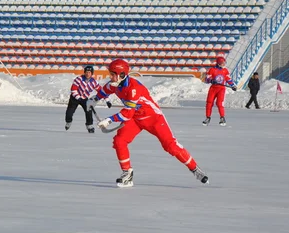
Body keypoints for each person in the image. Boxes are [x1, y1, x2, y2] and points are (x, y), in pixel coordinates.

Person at [86, 59, 209, 188]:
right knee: (119, 141)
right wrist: (94, 99)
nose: (110, 77)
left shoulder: (134, 88)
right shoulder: (114, 84)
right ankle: (127, 174)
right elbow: (105, 90)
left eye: (112, 74)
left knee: (170, 146)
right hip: (135, 119)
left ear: (121, 74)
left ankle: (195, 169)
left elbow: (127, 113)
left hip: (153, 118)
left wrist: (109, 120)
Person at [65, 65, 101, 133]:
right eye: (86, 72)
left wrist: (107, 99)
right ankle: (68, 122)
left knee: (89, 111)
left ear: (92, 73)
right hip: (74, 98)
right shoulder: (79, 79)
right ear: (84, 72)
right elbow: (73, 90)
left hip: (84, 98)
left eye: (89, 72)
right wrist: (78, 98)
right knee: (69, 113)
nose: (88, 74)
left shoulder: (94, 82)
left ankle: (89, 126)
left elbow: (101, 91)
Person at [202, 56, 237, 126]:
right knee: (209, 102)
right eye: (223, 63)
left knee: (219, 103)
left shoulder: (225, 70)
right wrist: (211, 80)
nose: (224, 64)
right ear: (219, 63)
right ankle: (208, 117)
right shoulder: (212, 70)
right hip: (213, 88)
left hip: (221, 89)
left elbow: (228, 79)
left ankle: (222, 117)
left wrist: (233, 85)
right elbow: (207, 79)